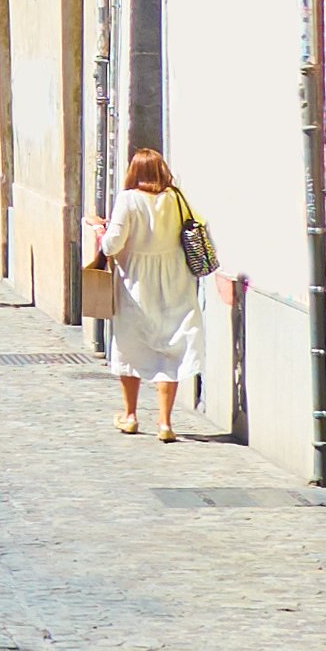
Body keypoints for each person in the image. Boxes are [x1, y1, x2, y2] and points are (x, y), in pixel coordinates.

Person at [89, 146, 204, 438]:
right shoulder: (176, 198)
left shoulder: (128, 200)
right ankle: (165, 423)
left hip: (136, 284)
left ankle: (130, 416)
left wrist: (98, 230)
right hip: (175, 280)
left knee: (130, 346)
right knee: (171, 346)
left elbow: (112, 245)